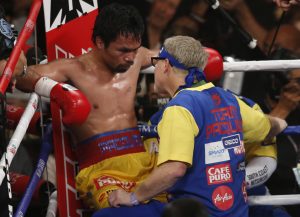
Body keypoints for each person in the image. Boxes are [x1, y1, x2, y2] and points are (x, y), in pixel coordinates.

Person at [94, 36, 286, 217]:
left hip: (194, 212)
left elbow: (174, 170)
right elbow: (267, 126)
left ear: (166, 65)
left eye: (156, 63)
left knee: (106, 215)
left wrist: (133, 196)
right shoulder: (229, 100)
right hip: (235, 213)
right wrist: (282, 122)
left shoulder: (179, 108)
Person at [15, 3, 165, 210]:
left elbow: (170, 57)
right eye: (122, 50)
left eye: (134, 50)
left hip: (143, 161)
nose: (130, 57)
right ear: (100, 42)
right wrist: (55, 90)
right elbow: (21, 78)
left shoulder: (137, 56)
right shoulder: (73, 69)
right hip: (102, 170)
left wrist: (197, 55)